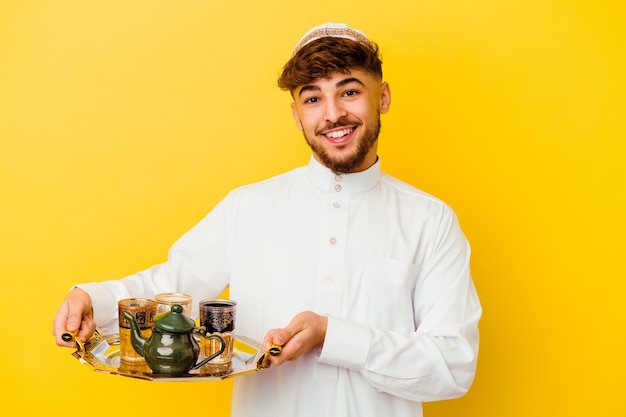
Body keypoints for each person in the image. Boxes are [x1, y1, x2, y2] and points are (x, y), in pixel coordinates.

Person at [53, 22, 481, 417]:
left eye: (349, 92)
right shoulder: (248, 206)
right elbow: (172, 285)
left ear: (382, 96)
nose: (332, 114)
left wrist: (333, 336)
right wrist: (94, 298)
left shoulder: (431, 221)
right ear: (297, 114)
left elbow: (452, 365)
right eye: (313, 98)